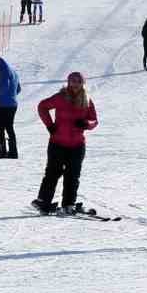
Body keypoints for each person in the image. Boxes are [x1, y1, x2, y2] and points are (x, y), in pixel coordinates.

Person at [33, 72, 98, 215]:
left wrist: (86, 123)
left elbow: (94, 120)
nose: (74, 84)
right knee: (52, 173)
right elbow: (42, 106)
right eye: (72, 81)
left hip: (77, 145)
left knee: (73, 175)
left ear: (82, 83)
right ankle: (43, 202)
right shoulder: (60, 97)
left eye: (78, 81)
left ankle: (69, 204)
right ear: (68, 82)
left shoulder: (87, 100)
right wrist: (49, 125)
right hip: (57, 143)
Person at [0, 56, 20, 158]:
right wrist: (12, 95)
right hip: (13, 104)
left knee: (1, 127)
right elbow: (18, 89)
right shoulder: (13, 72)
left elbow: (5, 87)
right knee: (9, 127)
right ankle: (13, 151)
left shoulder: (4, 72)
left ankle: (2, 151)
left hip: (5, 105)